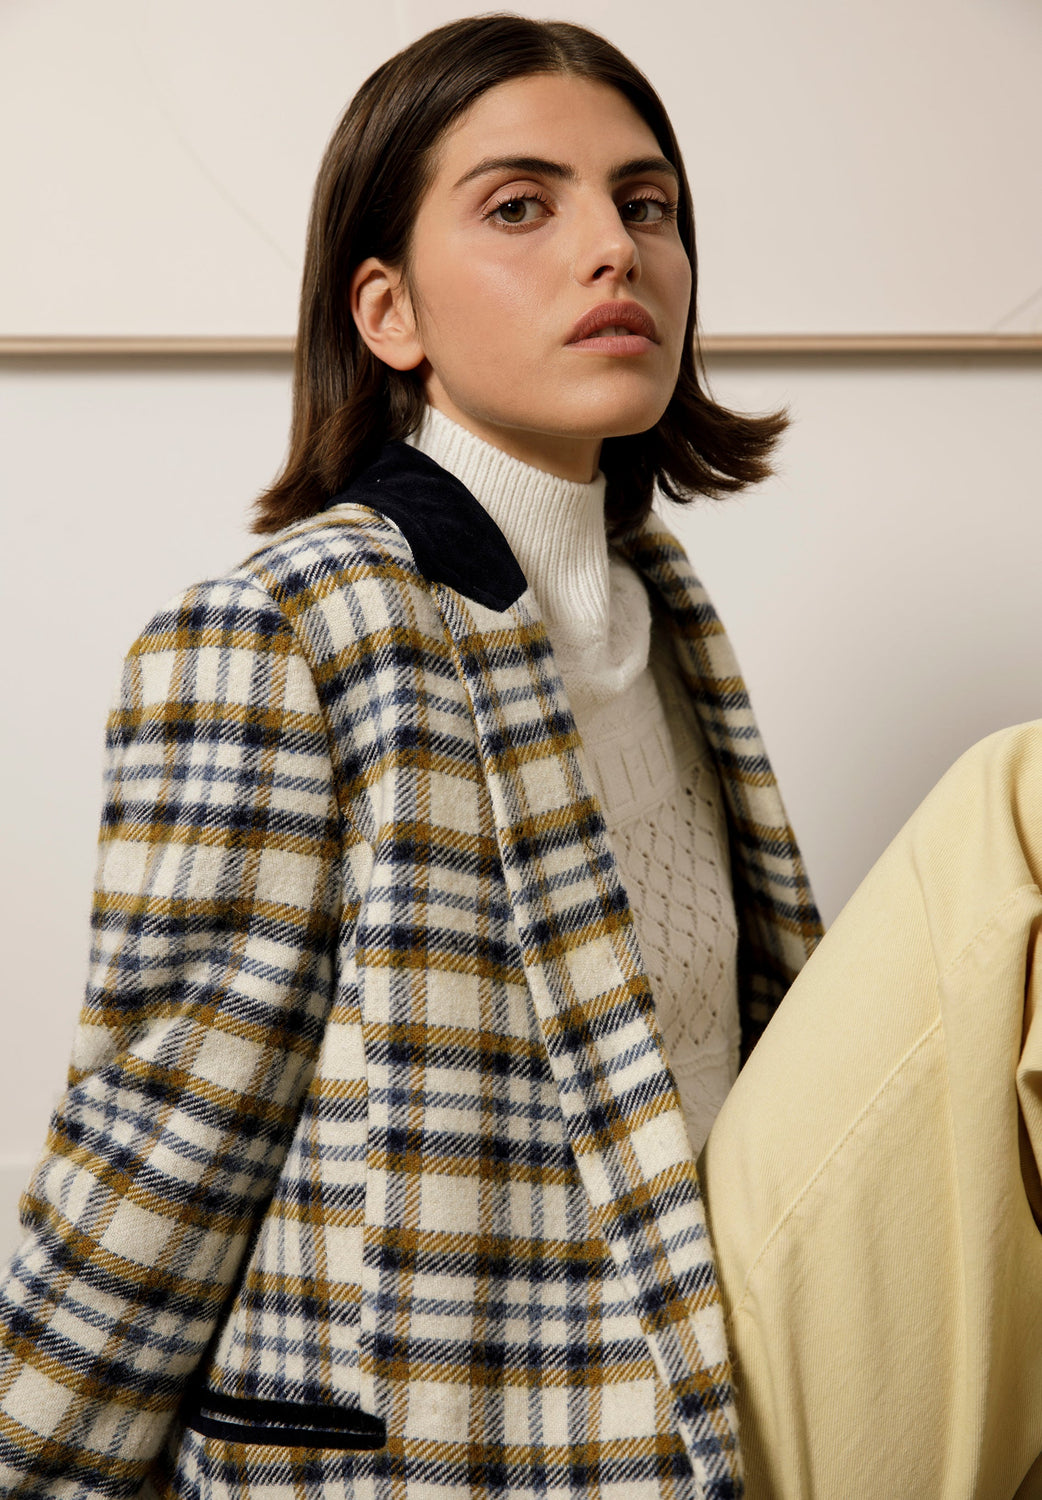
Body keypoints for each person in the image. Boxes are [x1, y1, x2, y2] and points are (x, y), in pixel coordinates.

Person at [0, 15, 1040, 1499]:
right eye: (518, 207)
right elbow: (165, 1142)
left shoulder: (657, 607)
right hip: (482, 1444)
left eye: (646, 204)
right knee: (1023, 800)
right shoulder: (286, 628)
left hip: (719, 1353)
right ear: (389, 312)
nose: (614, 251)